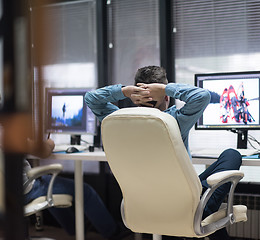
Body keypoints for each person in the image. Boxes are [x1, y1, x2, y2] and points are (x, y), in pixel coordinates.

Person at [84, 66, 242, 240]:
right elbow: (202, 96)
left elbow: (91, 99)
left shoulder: (117, 119)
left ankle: (205, 214)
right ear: (166, 97)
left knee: (199, 184)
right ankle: (205, 211)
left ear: (135, 98)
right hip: (181, 202)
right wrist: (165, 89)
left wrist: (124, 91)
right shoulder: (173, 120)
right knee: (231, 155)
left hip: (143, 204)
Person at [0, 82, 130, 240]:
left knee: (53, 185)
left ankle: (74, 230)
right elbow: (44, 151)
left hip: (0, 194)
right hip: (23, 191)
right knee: (84, 191)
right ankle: (114, 234)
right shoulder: (1, 130)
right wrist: (49, 141)